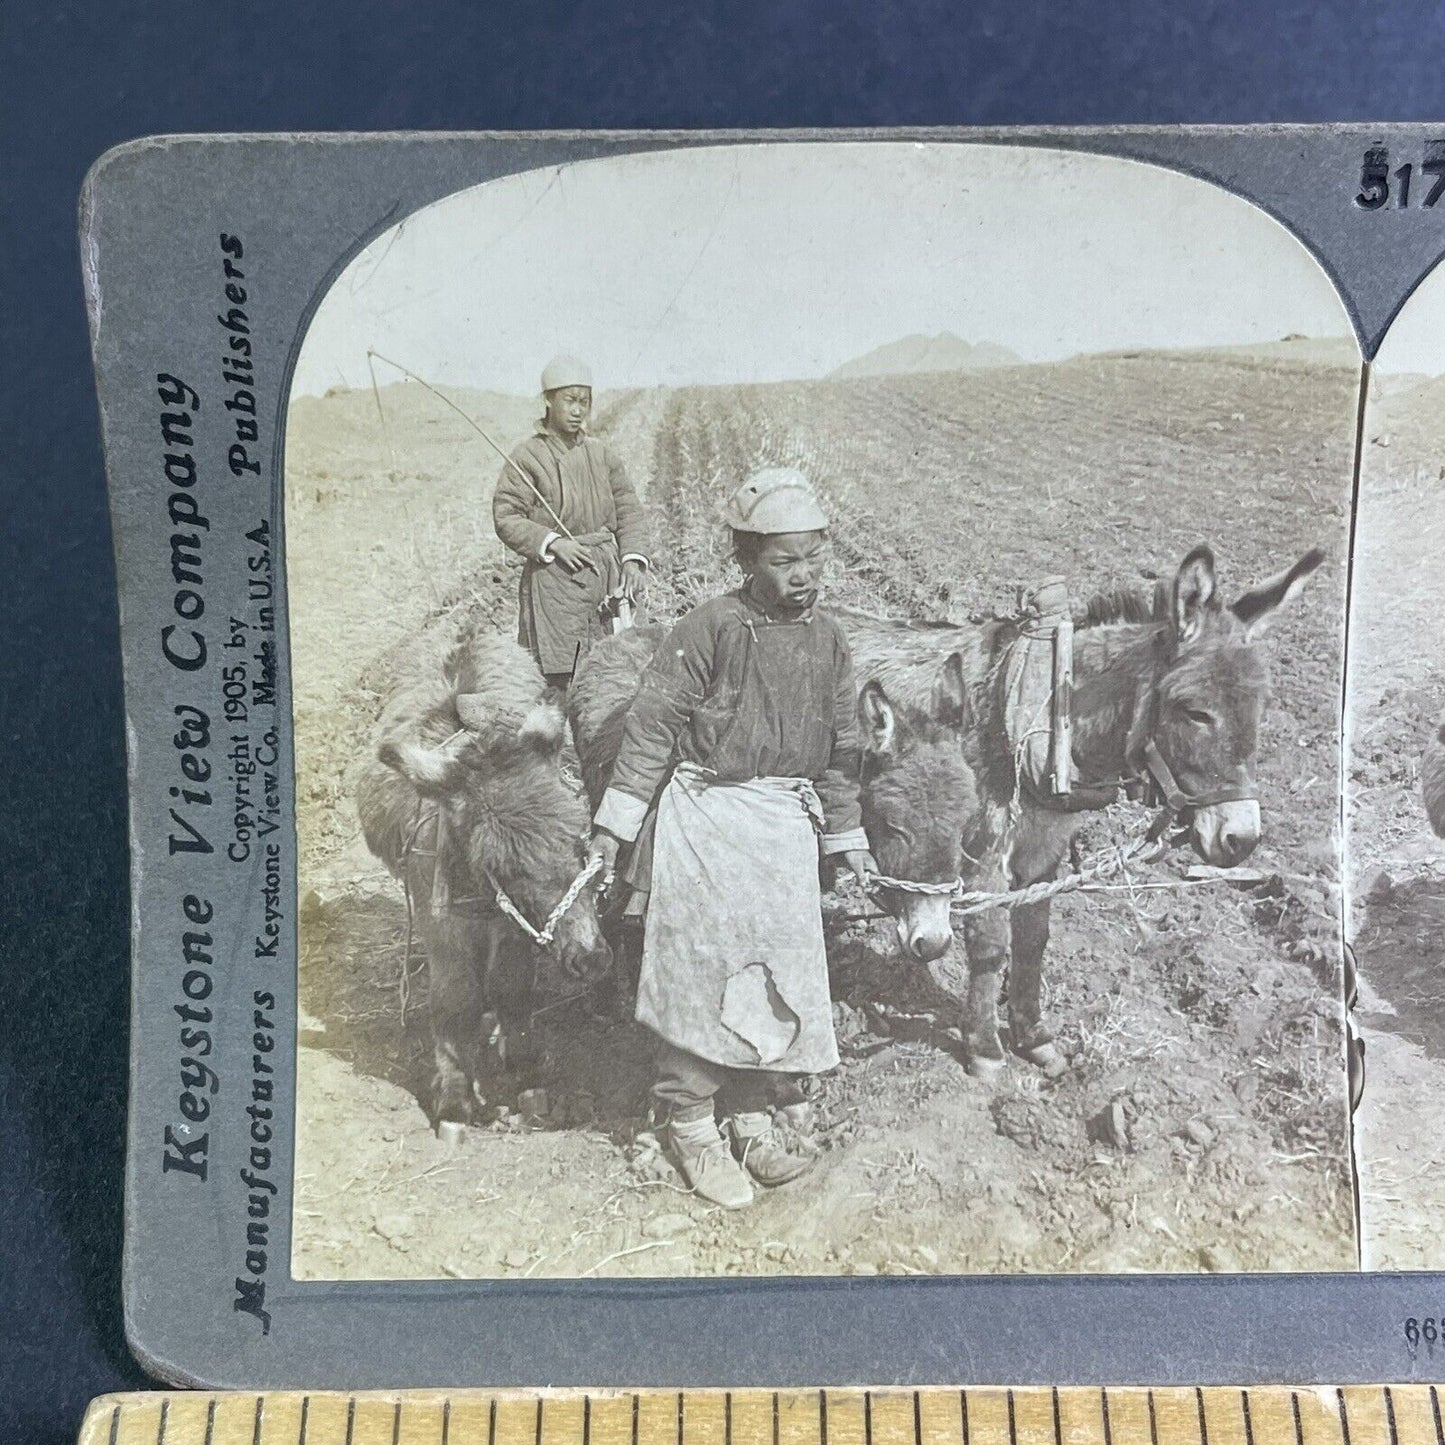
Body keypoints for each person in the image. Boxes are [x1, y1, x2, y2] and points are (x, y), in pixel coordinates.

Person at [585, 468, 876, 1209]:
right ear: (745, 559)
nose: (803, 575)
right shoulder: (709, 628)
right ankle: (689, 1125)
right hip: (705, 822)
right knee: (700, 972)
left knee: (771, 976)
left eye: (813, 557)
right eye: (784, 560)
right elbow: (650, 729)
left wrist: (847, 839)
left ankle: (747, 1114)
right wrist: (614, 827)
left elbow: (843, 749)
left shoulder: (829, 640)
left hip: (781, 828)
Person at [493, 355, 651, 690]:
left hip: (607, 574)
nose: (578, 410)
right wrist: (553, 542)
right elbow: (507, 516)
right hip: (556, 582)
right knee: (561, 673)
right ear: (548, 401)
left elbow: (629, 510)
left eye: (585, 402)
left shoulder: (601, 454)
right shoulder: (527, 457)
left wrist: (633, 560)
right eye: (570, 400)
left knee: (618, 666)